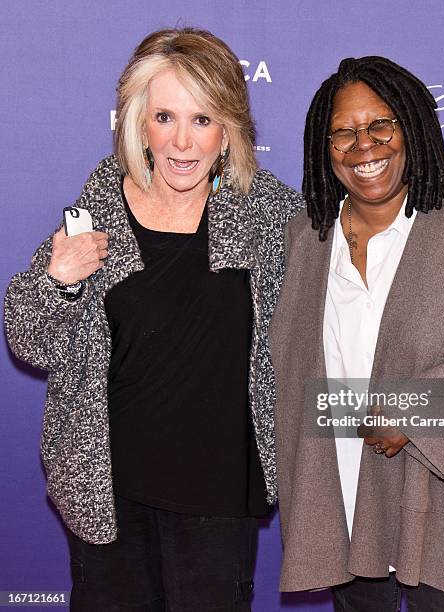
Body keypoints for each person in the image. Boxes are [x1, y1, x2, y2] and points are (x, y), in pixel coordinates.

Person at [4, 28, 303, 611]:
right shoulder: (99, 205)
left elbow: (331, 324)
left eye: (202, 119)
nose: (182, 142)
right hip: (108, 495)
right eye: (165, 116)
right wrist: (56, 283)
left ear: (229, 130)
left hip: (219, 499)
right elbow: (29, 340)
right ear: (138, 123)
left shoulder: (269, 212)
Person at [269, 56, 444, 611]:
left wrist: (417, 413)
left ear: (412, 127)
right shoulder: (305, 238)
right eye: (342, 133)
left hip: (440, 496)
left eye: (381, 125)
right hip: (341, 494)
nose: (363, 146)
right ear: (324, 148)